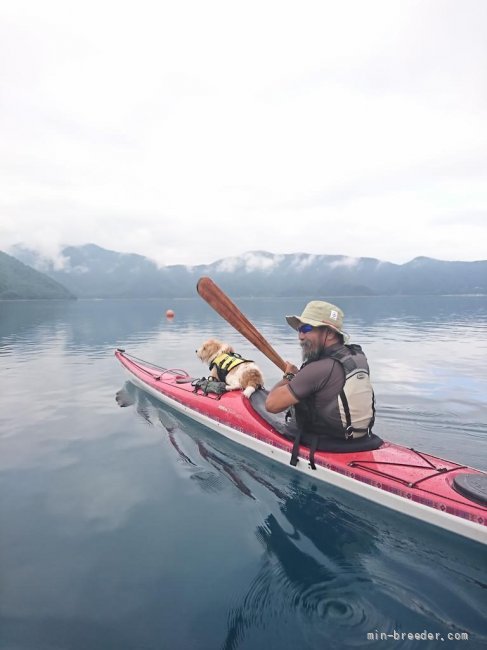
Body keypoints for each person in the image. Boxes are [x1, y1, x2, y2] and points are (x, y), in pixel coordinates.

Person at [265, 300, 380, 467]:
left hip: (326, 445)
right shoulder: (357, 358)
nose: (300, 336)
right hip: (359, 440)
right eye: (299, 329)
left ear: (330, 334)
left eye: (306, 329)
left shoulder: (319, 368)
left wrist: (289, 376)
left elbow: (271, 405)